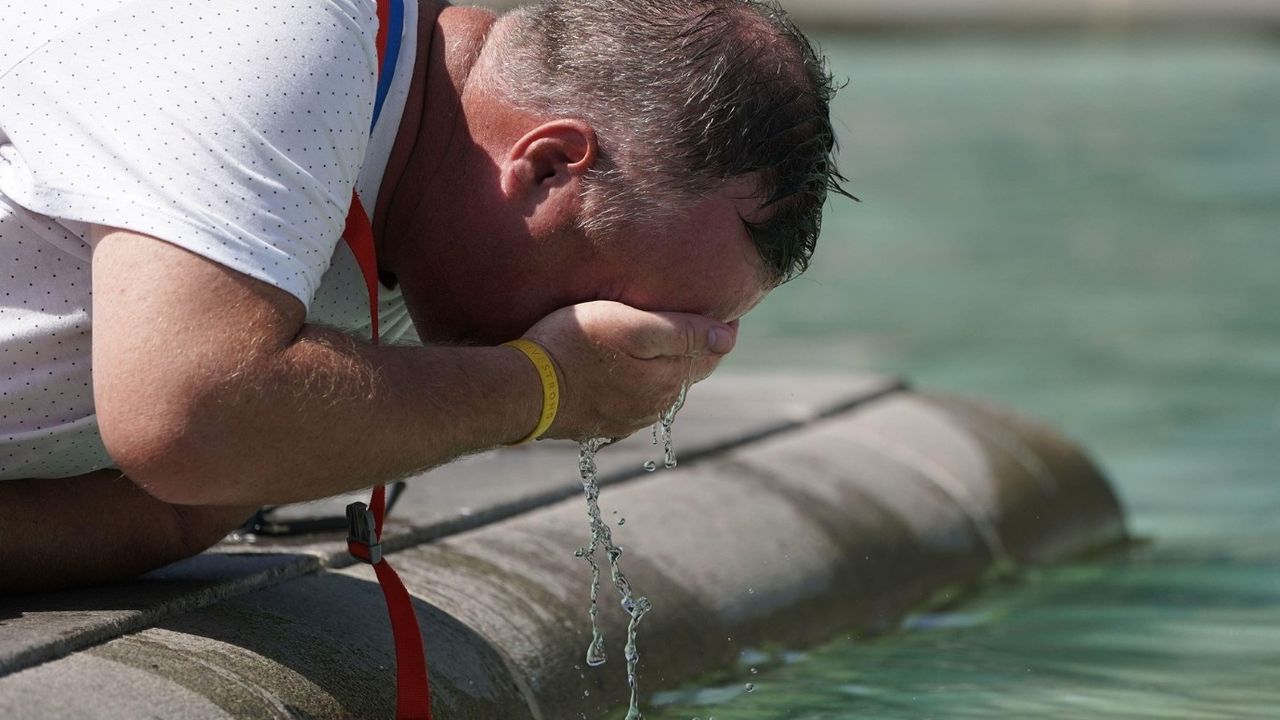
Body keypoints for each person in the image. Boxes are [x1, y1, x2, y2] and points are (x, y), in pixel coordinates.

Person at [0, 0, 847, 592]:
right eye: (631, 306)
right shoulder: (278, 38)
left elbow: (172, 519)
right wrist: (542, 386)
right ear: (549, 167)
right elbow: (191, 418)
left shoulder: (414, 234)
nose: (622, 344)